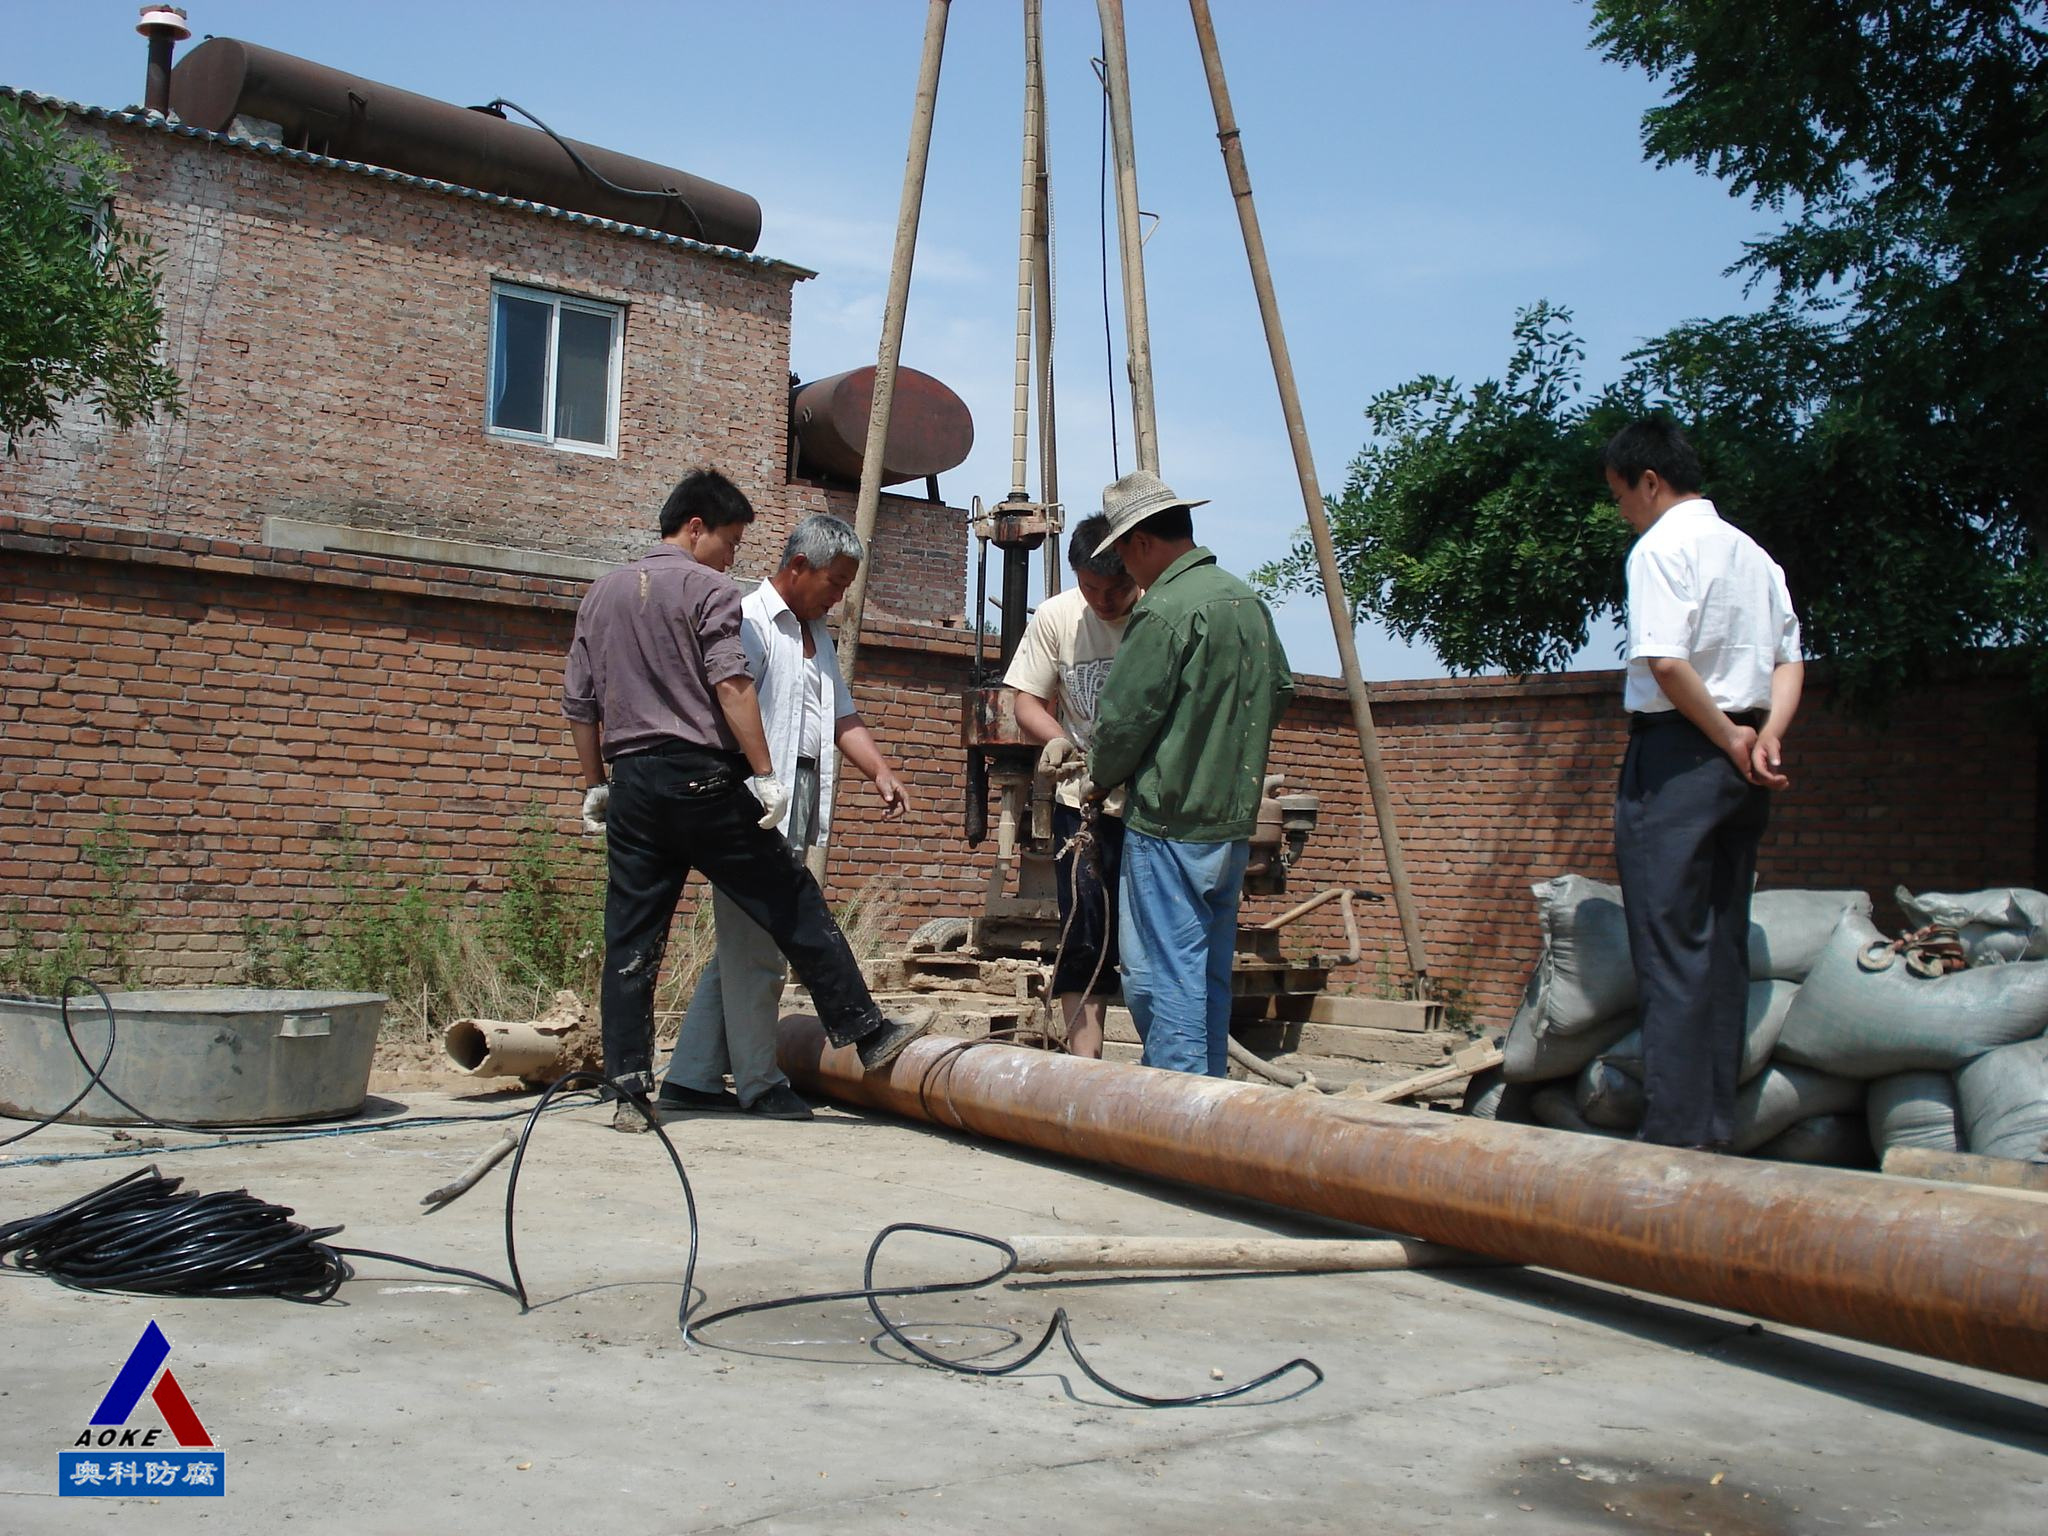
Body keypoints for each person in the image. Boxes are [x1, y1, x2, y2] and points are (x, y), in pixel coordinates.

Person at [561, 470, 927, 1130]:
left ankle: (628, 1090)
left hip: (633, 783)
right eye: (729, 540)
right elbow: (731, 685)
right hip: (701, 779)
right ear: (695, 527)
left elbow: (581, 703)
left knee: (632, 940)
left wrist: (595, 784)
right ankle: (865, 1030)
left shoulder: (603, 592)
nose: (733, 556)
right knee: (790, 901)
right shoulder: (711, 590)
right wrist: (763, 773)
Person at [660, 514, 912, 1121]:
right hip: (753, 796)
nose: (839, 595)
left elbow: (841, 714)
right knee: (765, 946)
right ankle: (759, 1081)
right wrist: (753, 785)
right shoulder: (748, 622)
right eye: (835, 581)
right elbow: (728, 702)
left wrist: (878, 769)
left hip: (799, 792)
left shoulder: (816, 633)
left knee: (751, 939)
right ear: (797, 567)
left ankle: (691, 1077)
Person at [1603, 418, 1803, 1150]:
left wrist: (1724, 735)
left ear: (1650, 482)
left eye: (1621, 494)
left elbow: (1665, 662)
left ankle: (1676, 1142)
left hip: (1682, 756)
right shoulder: (1754, 555)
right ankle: (1715, 1129)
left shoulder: (1663, 548)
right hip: (1744, 760)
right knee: (1722, 949)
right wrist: (1765, 735)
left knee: (1671, 949)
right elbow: (1789, 660)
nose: (1621, 510)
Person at [1084, 470, 1294, 1077]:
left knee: (1161, 976)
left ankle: (1175, 1118)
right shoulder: (1246, 602)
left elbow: (1124, 722)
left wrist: (1099, 776)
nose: (1125, 570)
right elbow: (1278, 690)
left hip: (1168, 825)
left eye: (1123, 552)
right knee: (1206, 974)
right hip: (1230, 825)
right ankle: (1209, 1108)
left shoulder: (1166, 611)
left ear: (1142, 542)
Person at [1002, 513, 1139, 1058]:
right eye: (1092, 588)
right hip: (1081, 802)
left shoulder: (1160, 611)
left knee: (1148, 933)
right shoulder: (1057, 616)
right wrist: (1056, 738)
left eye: (1116, 589)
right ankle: (1087, 1061)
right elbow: (1025, 700)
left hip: (1151, 804)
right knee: (1084, 930)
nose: (1104, 601)